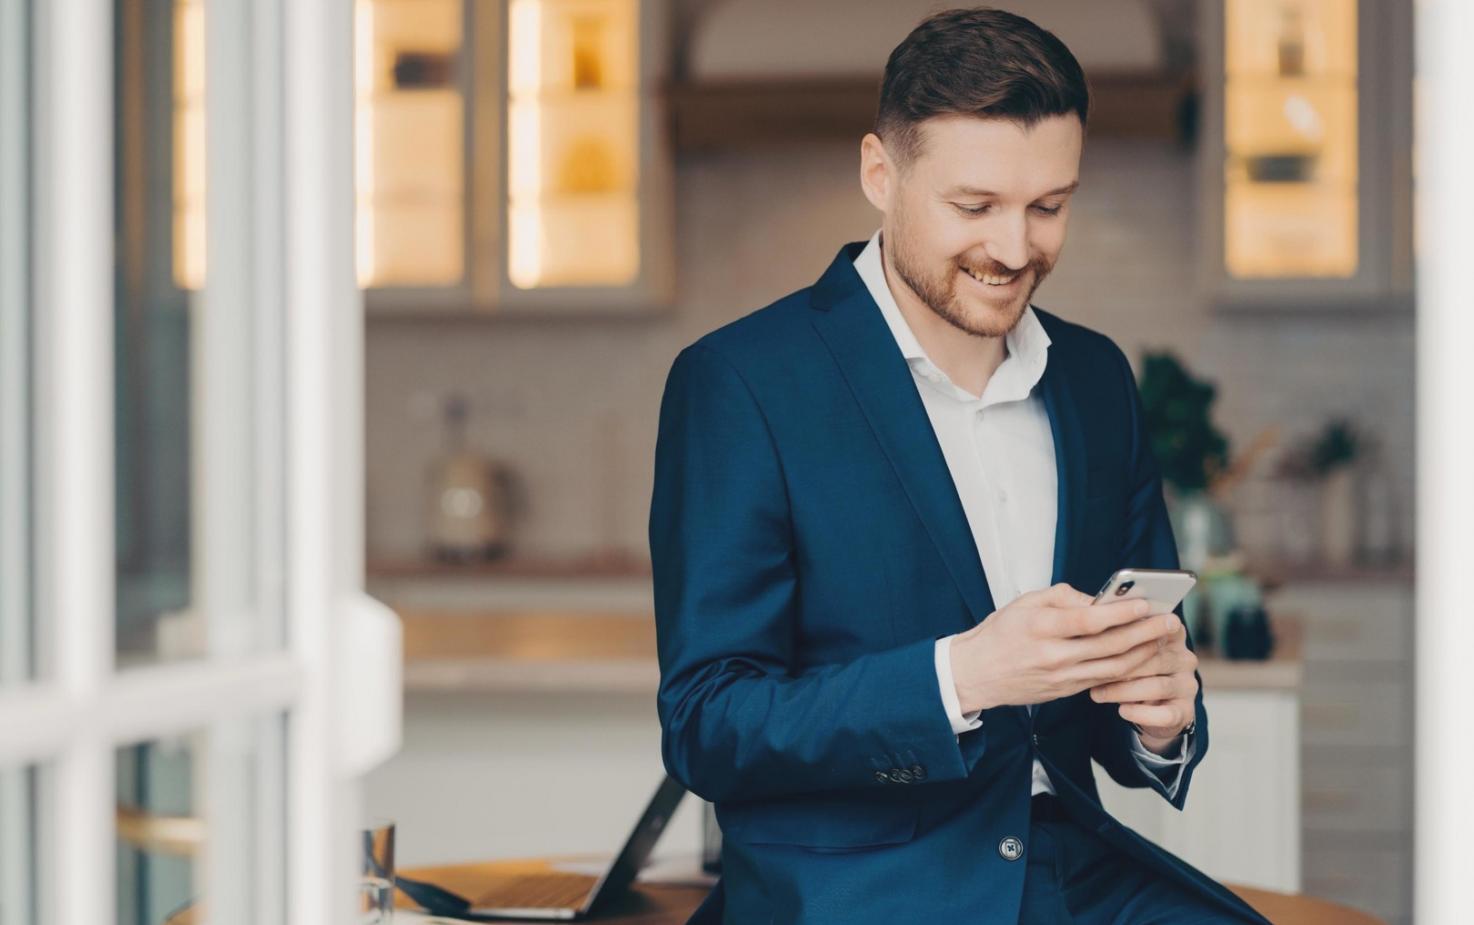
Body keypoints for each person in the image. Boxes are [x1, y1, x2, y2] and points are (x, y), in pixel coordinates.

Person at [648, 7, 1271, 924]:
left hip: (1078, 874)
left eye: (1048, 206)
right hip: (857, 893)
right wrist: (963, 676)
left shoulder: (1097, 377)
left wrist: (1163, 720)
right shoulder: (739, 383)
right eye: (974, 207)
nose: (1015, 250)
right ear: (879, 173)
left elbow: (1119, 683)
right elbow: (707, 724)